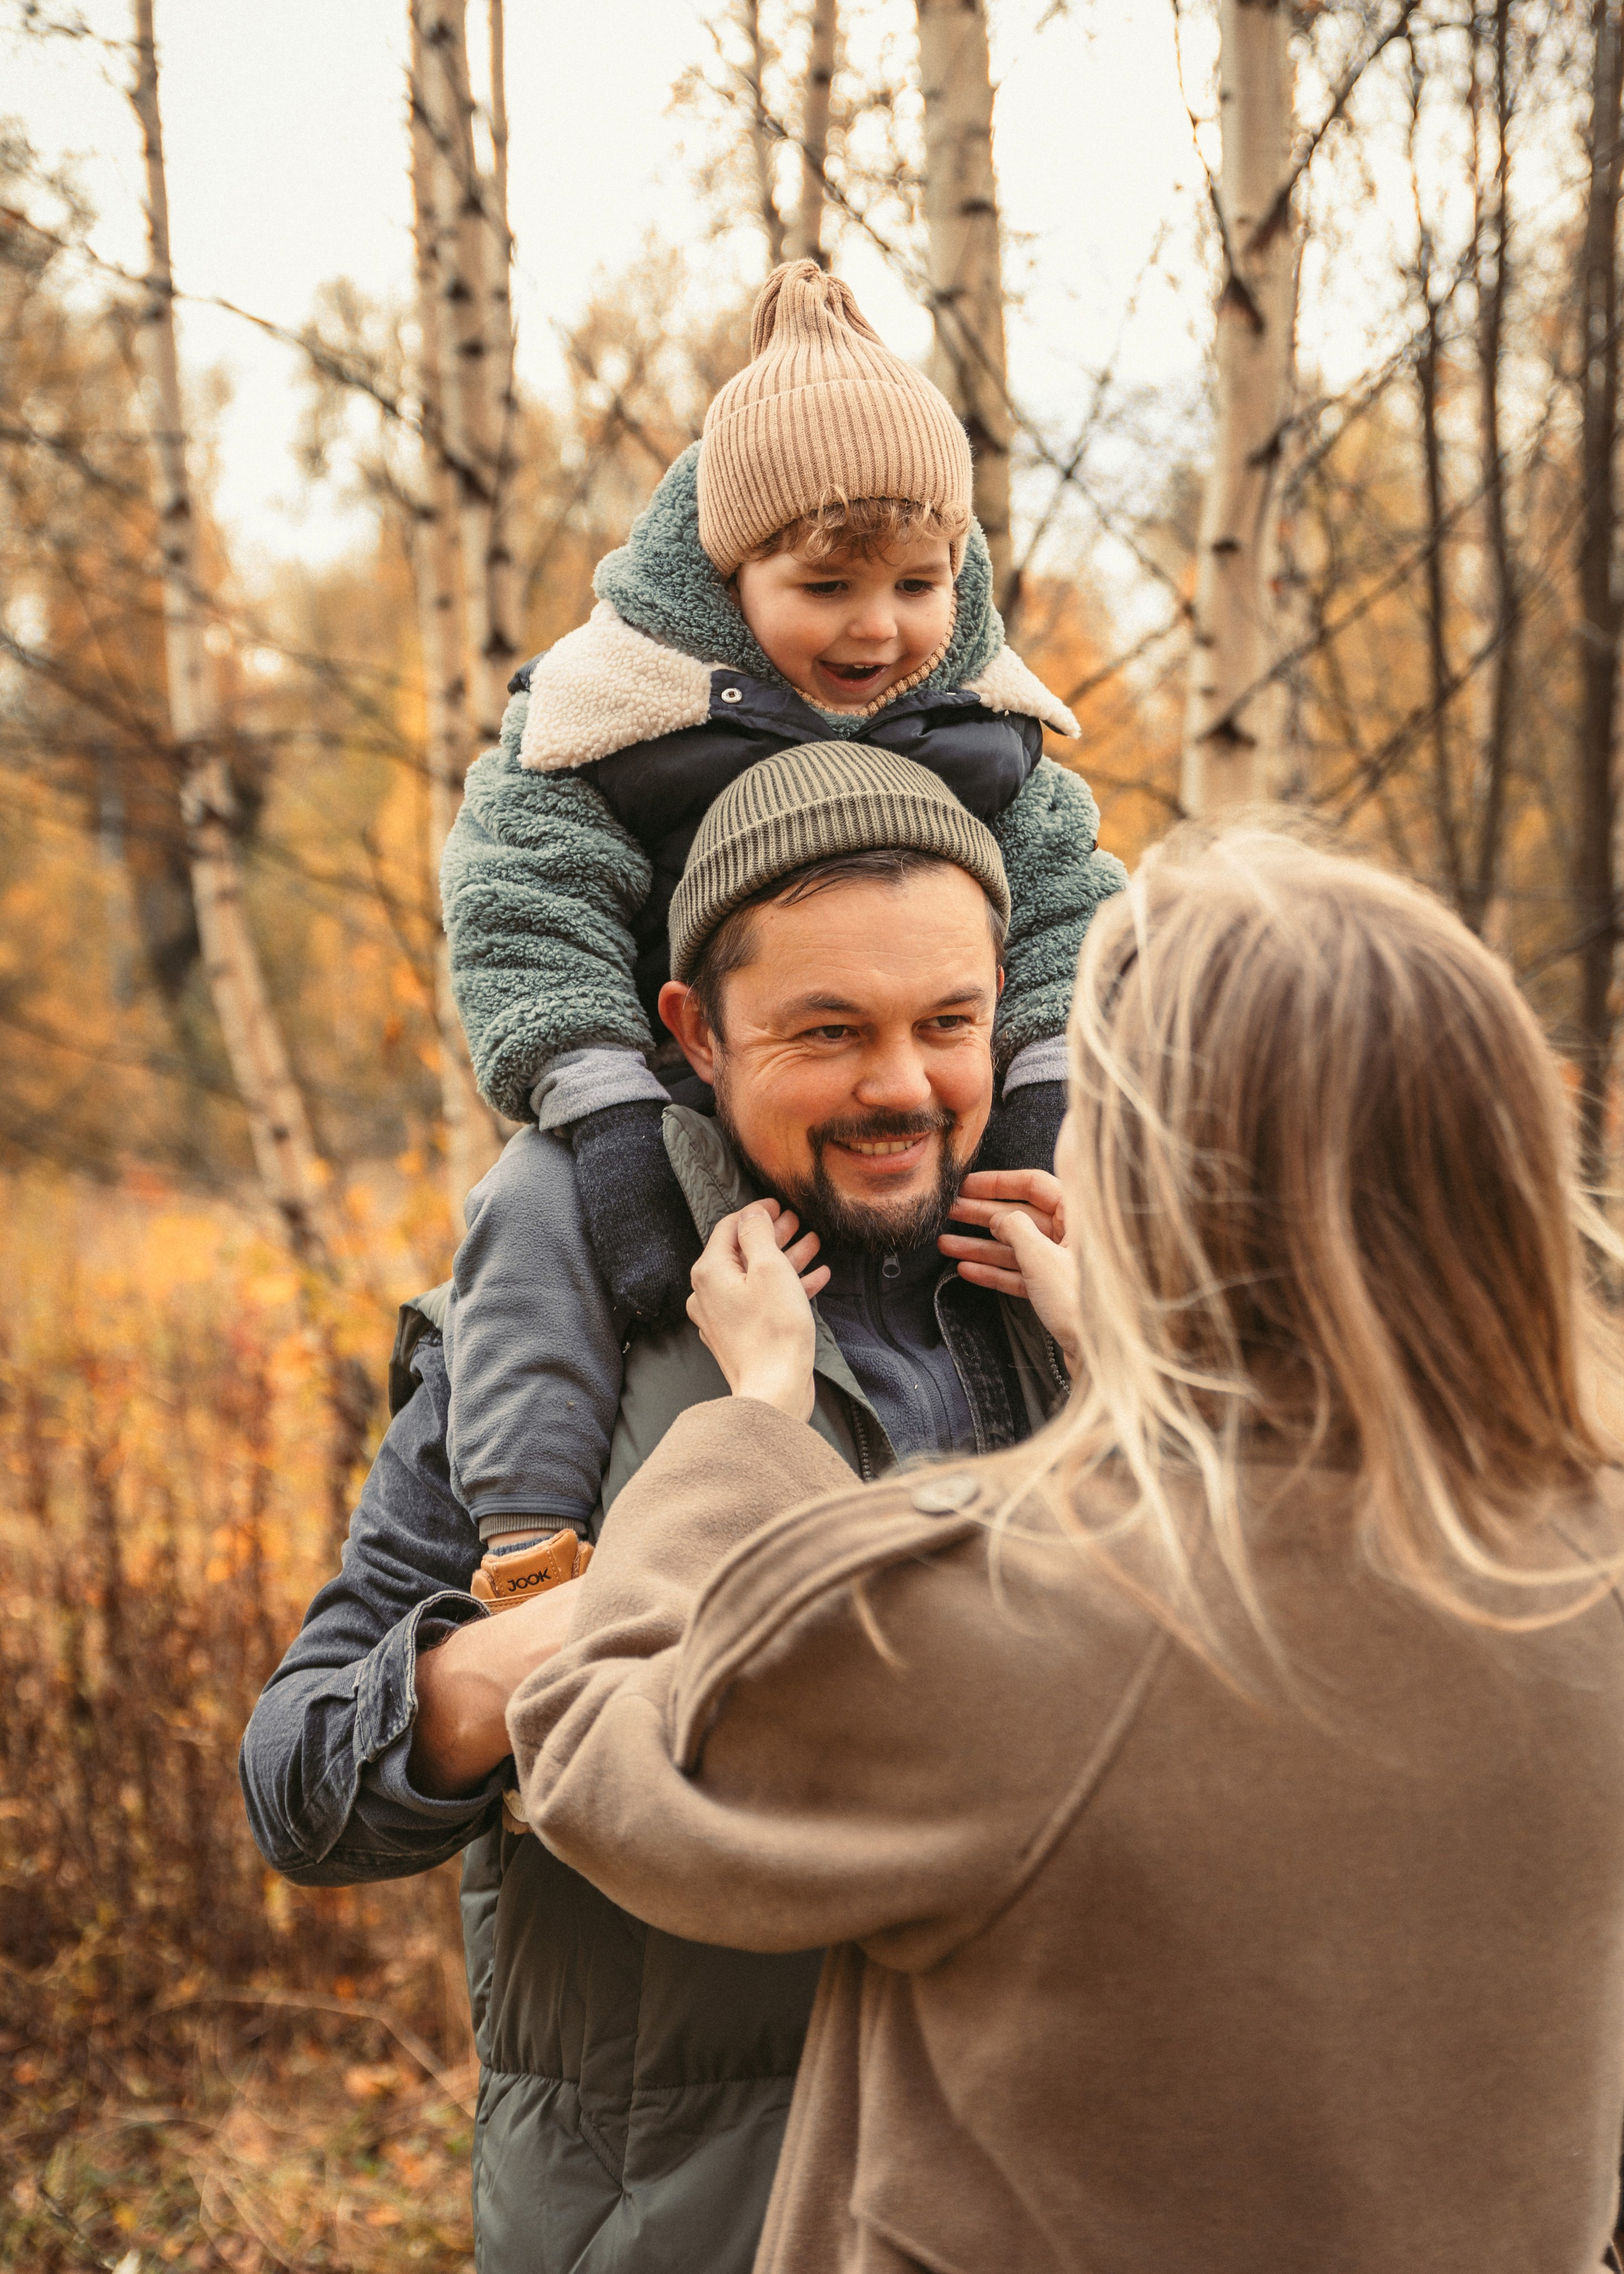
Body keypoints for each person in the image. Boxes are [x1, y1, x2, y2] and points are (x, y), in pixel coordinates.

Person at [505, 828, 1624, 2274]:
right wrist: (1145, 1354)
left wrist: (750, 1426)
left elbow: (609, 1761)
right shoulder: (1585, 1564)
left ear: (1156, 1179)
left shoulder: (999, 1613)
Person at [240, 748, 1075, 2274]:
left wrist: (1145, 1368)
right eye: (830, 1030)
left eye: (946, 1021)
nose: (902, 1083)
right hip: (679, 2225)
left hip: (1057, 2196)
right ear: (692, 1030)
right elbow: (301, 1785)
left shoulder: (1092, 1291)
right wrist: (624, 1602)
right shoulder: (551, 1337)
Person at [436, 256, 1123, 1586]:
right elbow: (521, 903)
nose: (878, 630)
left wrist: (1041, 1086)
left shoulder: (981, 728)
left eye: (918, 586)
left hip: (919, 1120)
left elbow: (1067, 911)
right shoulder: (620, 710)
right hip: (672, 1099)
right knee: (532, 1205)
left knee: (1093, 1192)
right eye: (826, 590)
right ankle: (527, 1538)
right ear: (727, 568)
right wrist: (604, 1112)